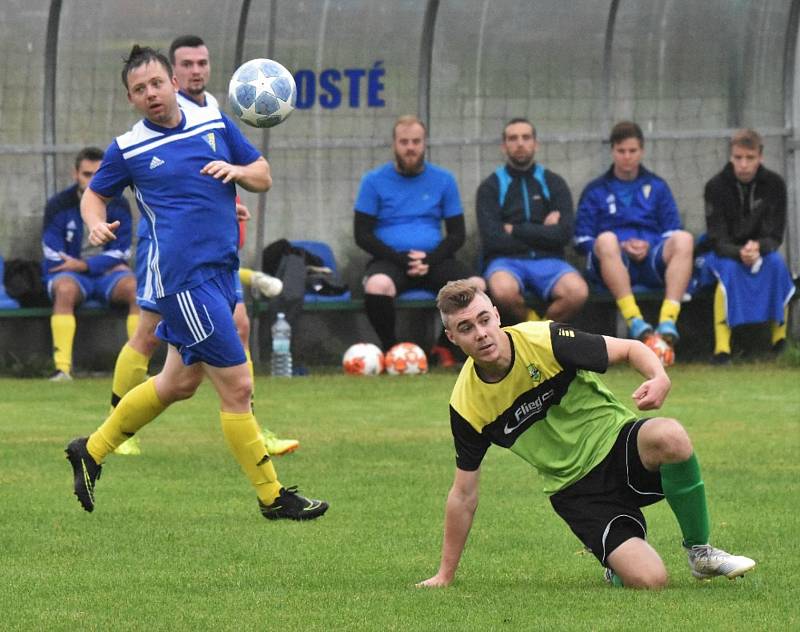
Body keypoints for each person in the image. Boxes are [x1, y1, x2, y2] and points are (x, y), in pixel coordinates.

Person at [65, 45, 327, 522]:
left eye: (156, 84)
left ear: (172, 83)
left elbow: (263, 174)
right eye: (139, 89)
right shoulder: (129, 148)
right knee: (239, 386)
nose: (151, 94)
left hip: (222, 271)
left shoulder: (213, 122)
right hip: (183, 283)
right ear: (131, 99)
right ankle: (272, 497)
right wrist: (95, 223)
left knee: (177, 382)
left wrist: (238, 172)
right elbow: (94, 196)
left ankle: (91, 449)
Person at [417, 280, 756, 589]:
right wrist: (445, 575)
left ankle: (700, 552)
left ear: (496, 314)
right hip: (576, 491)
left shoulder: (545, 340)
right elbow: (463, 494)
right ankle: (617, 563)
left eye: (483, 320)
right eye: (466, 327)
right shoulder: (466, 406)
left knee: (670, 434)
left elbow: (629, 349)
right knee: (651, 581)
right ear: (452, 337)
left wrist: (658, 376)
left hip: (617, 443)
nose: (480, 333)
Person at [111, 34, 295, 456]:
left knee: (239, 326)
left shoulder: (212, 110)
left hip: (212, 246)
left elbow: (224, 171)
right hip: (170, 250)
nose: (196, 70)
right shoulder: (158, 118)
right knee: (147, 334)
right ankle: (120, 425)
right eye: (187, 64)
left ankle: (250, 422)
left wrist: (231, 202)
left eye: (202, 63)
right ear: (173, 75)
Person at [354, 114, 485, 367]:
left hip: (435, 260)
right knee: (377, 285)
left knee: (475, 285)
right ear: (394, 144)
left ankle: (444, 349)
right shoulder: (373, 181)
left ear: (425, 144)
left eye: (416, 141)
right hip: (390, 260)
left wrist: (430, 259)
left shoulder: (444, 180)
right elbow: (362, 234)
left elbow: (457, 233)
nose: (410, 148)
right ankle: (392, 352)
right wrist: (401, 259)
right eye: (404, 142)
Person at [574, 121, 694, 361]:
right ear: (612, 151)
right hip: (614, 263)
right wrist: (619, 246)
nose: (627, 157)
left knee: (684, 239)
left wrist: (649, 245)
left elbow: (672, 229)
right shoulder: (596, 190)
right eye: (621, 151)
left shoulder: (657, 186)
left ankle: (668, 322)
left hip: (651, 260)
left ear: (642, 151)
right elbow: (581, 239)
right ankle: (635, 322)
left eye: (632, 151)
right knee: (606, 239)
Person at [476, 118, 588, 324]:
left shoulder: (553, 183)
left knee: (577, 292)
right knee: (503, 291)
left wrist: (515, 229)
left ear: (535, 144)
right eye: (513, 138)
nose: (520, 143)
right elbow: (492, 239)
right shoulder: (490, 186)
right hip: (505, 261)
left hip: (550, 260)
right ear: (504, 146)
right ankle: (535, 328)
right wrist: (542, 232)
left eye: (526, 138)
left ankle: (541, 333)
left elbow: (564, 234)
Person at [42, 146, 139, 381]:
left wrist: (86, 265)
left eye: (98, 174)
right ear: (75, 174)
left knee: (136, 289)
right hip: (72, 276)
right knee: (64, 289)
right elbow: (52, 253)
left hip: (105, 275)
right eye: (87, 174)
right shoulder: (58, 204)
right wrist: (92, 266)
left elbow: (122, 251)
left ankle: (136, 368)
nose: (92, 180)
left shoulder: (119, 204)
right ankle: (62, 369)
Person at [702, 129, 796, 364]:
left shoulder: (774, 184)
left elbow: (775, 236)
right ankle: (722, 350)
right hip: (724, 254)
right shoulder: (715, 186)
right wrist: (739, 252)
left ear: (760, 157)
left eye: (750, 158)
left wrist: (758, 247)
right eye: (738, 158)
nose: (743, 164)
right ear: (731, 157)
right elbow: (716, 238)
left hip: (760, 252)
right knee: (729, 272)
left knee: (776, 264)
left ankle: (780, 342)